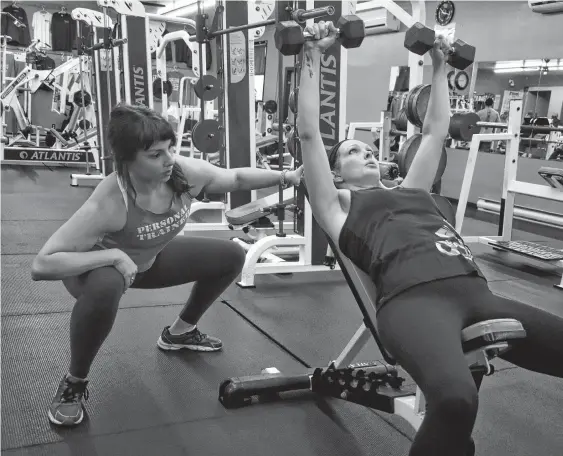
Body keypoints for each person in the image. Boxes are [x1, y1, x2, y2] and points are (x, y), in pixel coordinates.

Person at [297, 22, 563, 456]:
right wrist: (311, 55)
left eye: (365, 148)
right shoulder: (337, 206)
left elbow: (437, 129)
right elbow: (309, 133)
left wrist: (438, 65)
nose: (363, 151)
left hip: (478, 293)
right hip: (413, 304)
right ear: (335, 172)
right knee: (457, 400)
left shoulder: (413, 189)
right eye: (349, 152)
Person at [31, 104, 303, 427]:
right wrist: (112, 256)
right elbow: (43, 264)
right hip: (94, 272)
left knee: (231, 256)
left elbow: (237, 177)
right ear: (127, 160)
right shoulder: (111, 202)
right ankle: (74, 383)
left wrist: (288, 176)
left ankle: (180, 332)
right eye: (155, 155)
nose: (169, 159)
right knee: (107, 285)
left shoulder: (181, 173)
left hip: (147, 261)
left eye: (170, 148)